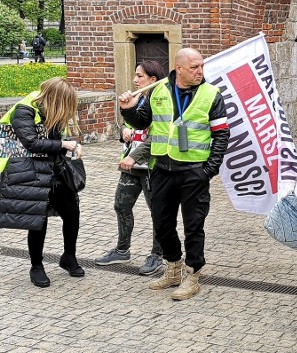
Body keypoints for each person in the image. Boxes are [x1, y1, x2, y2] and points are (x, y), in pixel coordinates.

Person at [118, 47, 230, 301]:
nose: (200, 71)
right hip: (162, 169)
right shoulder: (158, 90)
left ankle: (193, 275)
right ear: (178, 68)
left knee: (194, 226)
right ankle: (173, 268)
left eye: (201, 66)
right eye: (194, 67)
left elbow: (221, 135)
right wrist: (128, 109)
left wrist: (208, 171)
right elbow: (141, 123)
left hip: (193, 173)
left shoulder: (211, 95)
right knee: (162, 224)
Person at [0, 77, 84, 287]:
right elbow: (31, 142)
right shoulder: (24, 110)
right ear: (55, 99)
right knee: (38, 219)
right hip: (28, 172)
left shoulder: (49, 111)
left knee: (72, 213)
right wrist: (64, 143)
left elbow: (54, 142)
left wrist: (69, 147)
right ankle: (36, 266)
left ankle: (68, 257)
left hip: (54, 170)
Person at [95, 61, 167, 275]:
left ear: (152, 79)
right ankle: (122, 249)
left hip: (151, 166)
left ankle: (157, 255)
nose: (135, 80)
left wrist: (136, 157)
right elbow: (134, 124)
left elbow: (159, 134)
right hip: (132, 165)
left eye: (139, 76)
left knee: (158, 213)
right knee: (121, 205)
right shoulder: (140, 98)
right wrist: (124, 131)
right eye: (135, 75)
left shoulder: (161, 100)